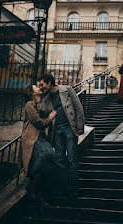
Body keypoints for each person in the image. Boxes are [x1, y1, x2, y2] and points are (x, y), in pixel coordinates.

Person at [39, 73, 85, 204]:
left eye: (42, 84)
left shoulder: (66, 90)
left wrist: (80, 125)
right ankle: (65, 187)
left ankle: (73, 190)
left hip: (70, 128)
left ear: (49, 82)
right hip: (57, 131)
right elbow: (41, 113)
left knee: (72, 158)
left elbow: (78, 107)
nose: (41, 87)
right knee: (59, 159)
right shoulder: (46, 99)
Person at [21, 84, 57, 204]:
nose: (38, 87)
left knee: (45, 160)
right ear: (32, 93)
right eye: (36, 87)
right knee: (44, 156)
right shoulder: (29, 104)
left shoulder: (39, 102)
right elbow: (38, 122)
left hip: (40, 137)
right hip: (32, 137)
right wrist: (50, 118)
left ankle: (35, 189)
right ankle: (34, 190)